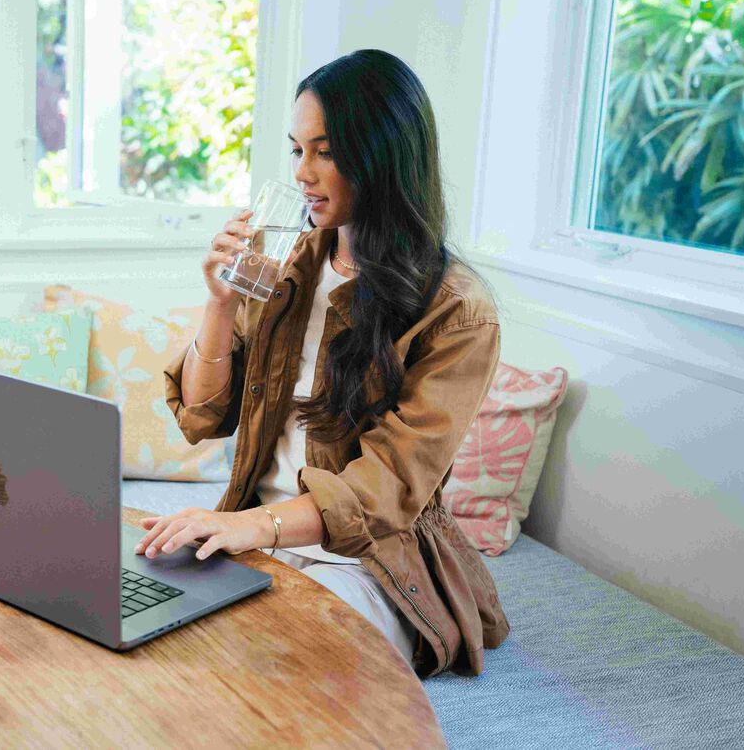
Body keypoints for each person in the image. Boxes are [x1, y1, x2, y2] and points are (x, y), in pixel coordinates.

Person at [141, 49, 509, 677]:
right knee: (155, 635)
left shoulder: (458, 311)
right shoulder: (288, 261)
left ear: (383, 157)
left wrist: (248, 529)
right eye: (296, 150)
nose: (303, 173)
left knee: (277, 666)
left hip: (369, 562)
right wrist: (220, 305)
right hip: (260, 531)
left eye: (326, 152)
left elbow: (385, 489)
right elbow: (203, 416)